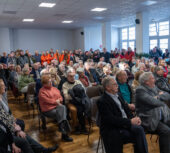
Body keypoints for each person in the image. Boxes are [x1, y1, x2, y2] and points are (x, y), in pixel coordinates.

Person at [0, 79, 58, 153]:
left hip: (9, 127)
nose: (5, 87)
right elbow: (4, 121)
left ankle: (42, 149)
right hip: (5, 134)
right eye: (2, 86)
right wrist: (16, 129)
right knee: (23, 137)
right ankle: (42, 149)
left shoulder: (2, 97)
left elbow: (8, 113)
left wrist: (14, 124)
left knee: (24, 133)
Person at [97, 76, 148, 153]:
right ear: (108, 87)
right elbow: (111, 119)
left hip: (125, 124)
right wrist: (130, 121)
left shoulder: (118, 95)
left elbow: (127, 110)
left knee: (139, 129)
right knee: (138, 133)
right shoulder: (102, 101)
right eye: (115, 84)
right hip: (113, 128)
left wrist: (134, 119)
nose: (117, 85)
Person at [135, 72, 170, 153]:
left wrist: (157, 97)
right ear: (147, 82)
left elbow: (167, 95)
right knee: (166, 131)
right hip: (149, 119)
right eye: (152, 78)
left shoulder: (154, 87)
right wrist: (159, 97)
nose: (155, 80)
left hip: (161, 116)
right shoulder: (140, 90)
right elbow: (154, 102)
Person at [38, 75, 73, 142]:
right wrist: (56, 101)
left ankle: (62, 128)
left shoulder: (55, 89)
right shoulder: (41, 91)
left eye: (51, 81)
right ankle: (64, 135)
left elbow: (61, 97)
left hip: (57, 107)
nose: (51, 83)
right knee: (63, 112)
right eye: (48, 82)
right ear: (44, 84)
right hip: (48, 110)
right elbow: (49, 101)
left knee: (62, 108)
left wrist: (58, 100)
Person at [62, 68, 88, 134]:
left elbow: (84, 91)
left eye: (73, 76)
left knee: (83, 107)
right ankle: (77, 127)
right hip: (70, 101)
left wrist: (76, 95)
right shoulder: (65, 85)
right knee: (77, 109)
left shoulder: (78, 82)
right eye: (70, 76)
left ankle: (82, 126)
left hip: (79, 100)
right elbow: (66, 97)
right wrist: (76, 96)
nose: (72, 77)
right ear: (67, 76)